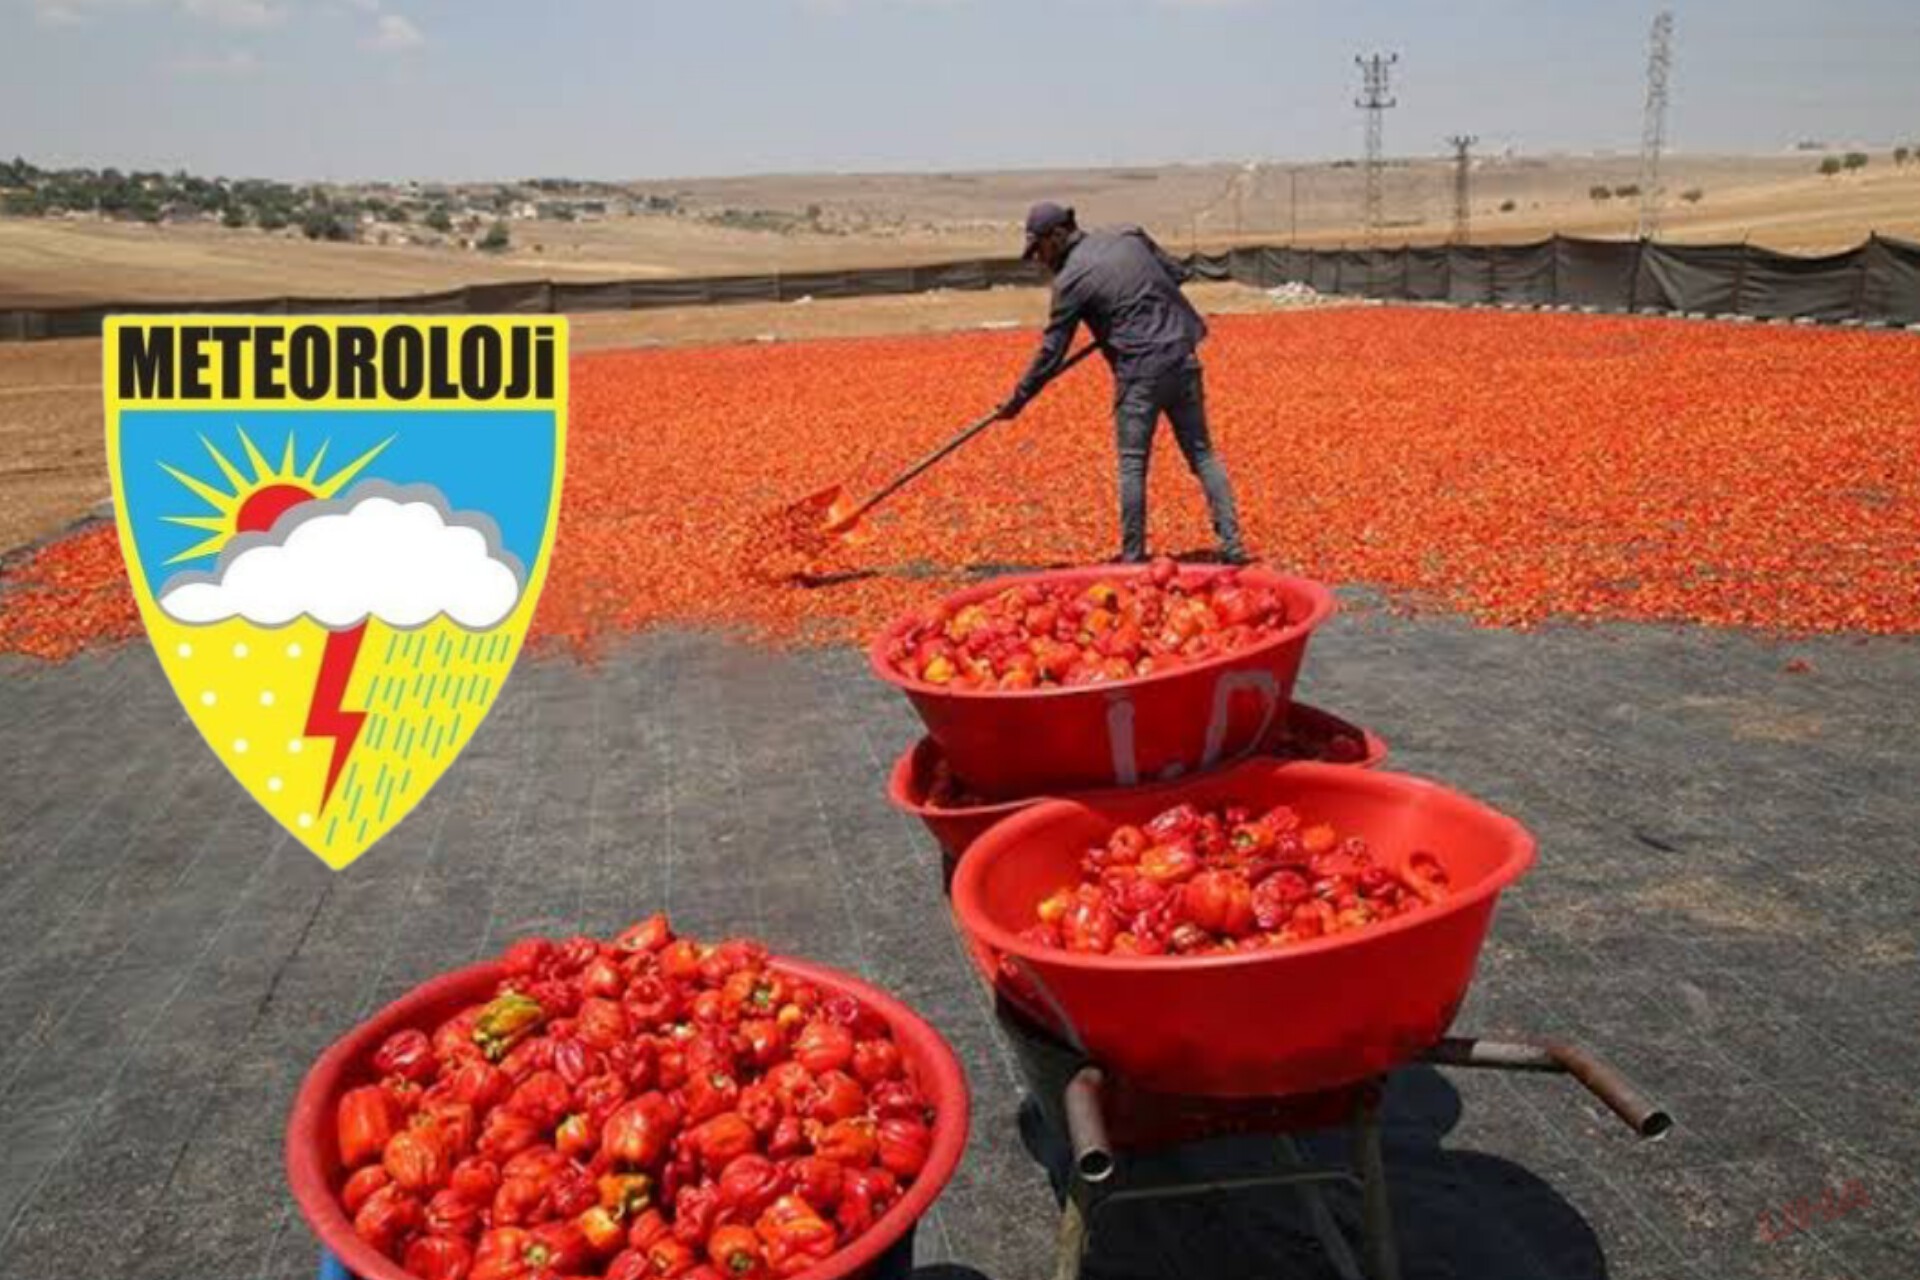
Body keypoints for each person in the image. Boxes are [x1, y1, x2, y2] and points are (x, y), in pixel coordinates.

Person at [997, 201, 1250, 565]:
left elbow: (1052, 353)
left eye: (1040, 248)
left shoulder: (1071, 282)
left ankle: (1133, 558)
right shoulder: (1128, 235)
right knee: (1202, 454)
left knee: (1133, 464)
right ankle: (1233, 544)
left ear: (1057, 234)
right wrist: (1131, 302)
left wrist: (1018, 399)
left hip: (1140, 374)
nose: (1039, 258)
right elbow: (1175, 274)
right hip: (1183, 356)